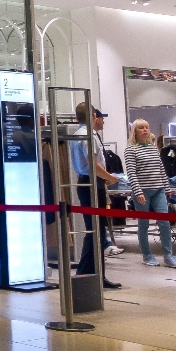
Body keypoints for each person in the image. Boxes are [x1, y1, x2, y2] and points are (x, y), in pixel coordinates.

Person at [68, 103, 122, 289]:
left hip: (89, 183)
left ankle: (92, 273)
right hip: (90, 184)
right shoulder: (86, 136)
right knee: (96, 231)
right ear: (93, 116)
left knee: (96, 231)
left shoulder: (81, 134)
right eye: (100, 117)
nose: (103, 120)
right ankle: (88, 273)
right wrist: (110, 178)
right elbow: (92, 163)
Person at [126, 119, 176, 269]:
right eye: (141, 128)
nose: (145, 130)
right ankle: (147, 254)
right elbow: (131, 173)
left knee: (164, 222)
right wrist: (137, 191)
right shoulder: (130, 150)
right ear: (135, 131)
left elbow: (161, 170)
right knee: (143, 224)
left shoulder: (152, 148)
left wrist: (167, 188)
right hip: (142, 192)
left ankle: (168, 256)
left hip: (158, 190)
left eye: (146, 127)